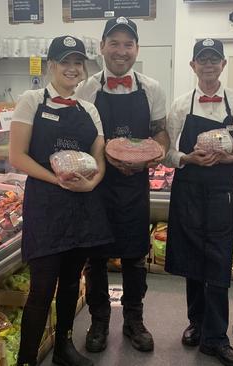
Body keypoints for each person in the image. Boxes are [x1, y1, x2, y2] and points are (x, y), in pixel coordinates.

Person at [9, 35, 113, 366]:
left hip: (82, 206)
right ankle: (27, 359)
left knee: (70, 282)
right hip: (46, 204)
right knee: (41, 288)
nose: (72, 68)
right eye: (64, 62)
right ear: (51, 65)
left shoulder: (89, 110)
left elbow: (100, 157)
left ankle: (64, 349)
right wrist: (57, 179)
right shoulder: (32, 100)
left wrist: (93, 181)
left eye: (77, 63)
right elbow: (17, 157)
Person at [76, 16, 169, 353]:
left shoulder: (152, 88)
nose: (121, 50)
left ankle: (134, 320)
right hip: (98, 185)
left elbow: (161, 130)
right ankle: (99, 320)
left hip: (135, 186)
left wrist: (155, 153)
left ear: (136, 49)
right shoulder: (86, 89)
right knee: (96, 257)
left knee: (135, 257)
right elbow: (81, 136)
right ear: (101, 47)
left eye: (127, 44)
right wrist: (104, 158)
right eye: (113, 43)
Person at [164, 38, 233, 366]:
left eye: (214, 59)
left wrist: (230, 158)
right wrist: (186, 157)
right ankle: (197, 323)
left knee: (217, 262)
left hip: (221, 192)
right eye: (202, 60)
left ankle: (216, 337)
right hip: (188, 188)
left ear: (222, 64)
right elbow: (166, 152)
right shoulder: (180, 105)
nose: (208, 65)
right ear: (193, 66)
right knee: (192, 259)